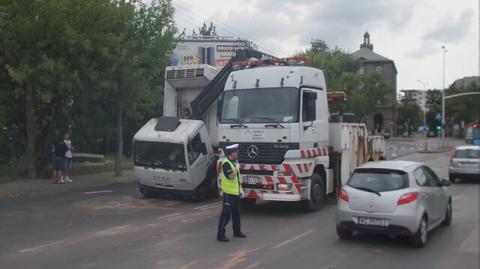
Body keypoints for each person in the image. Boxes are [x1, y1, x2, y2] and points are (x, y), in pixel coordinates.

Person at [217, 144, 247, 242]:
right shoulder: (226, 163)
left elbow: (237, 179)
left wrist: (240, 189)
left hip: (236, 193)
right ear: (232, 153)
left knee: (236, 214)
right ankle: (220, 235)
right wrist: (236, 169)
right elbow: (231, 176)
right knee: (225, 215)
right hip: (228, 194)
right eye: (236, 152)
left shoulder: (234, 162)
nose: (237, 153)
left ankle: (237, 232)